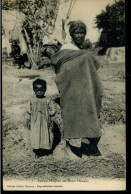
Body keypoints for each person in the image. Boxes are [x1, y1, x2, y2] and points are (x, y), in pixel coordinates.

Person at [51, 21, 104, 159]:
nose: (79, 35)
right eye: (76, 33)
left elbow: (90, 67)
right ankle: (72, 146)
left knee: (88, 110)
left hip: (84, 88)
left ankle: (89, 144)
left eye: (82, 33)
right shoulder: (67, 49)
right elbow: (61, 68)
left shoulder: (82, 50)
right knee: (74, 113)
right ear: (71, 34)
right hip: (71, 89)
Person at [26, 79, 56, 157]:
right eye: (37, 90)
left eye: (41, 90)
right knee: (36, 135)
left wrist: (52, 121)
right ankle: (37, 151)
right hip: (35, 123)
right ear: (33, 90)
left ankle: (46, 150)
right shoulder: (31, 100)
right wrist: (28, 121)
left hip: (45, 123)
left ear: (45, 89)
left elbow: (52, 111)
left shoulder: (48, 100)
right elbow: (28, 111)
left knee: (46, 135)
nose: (39, 92)